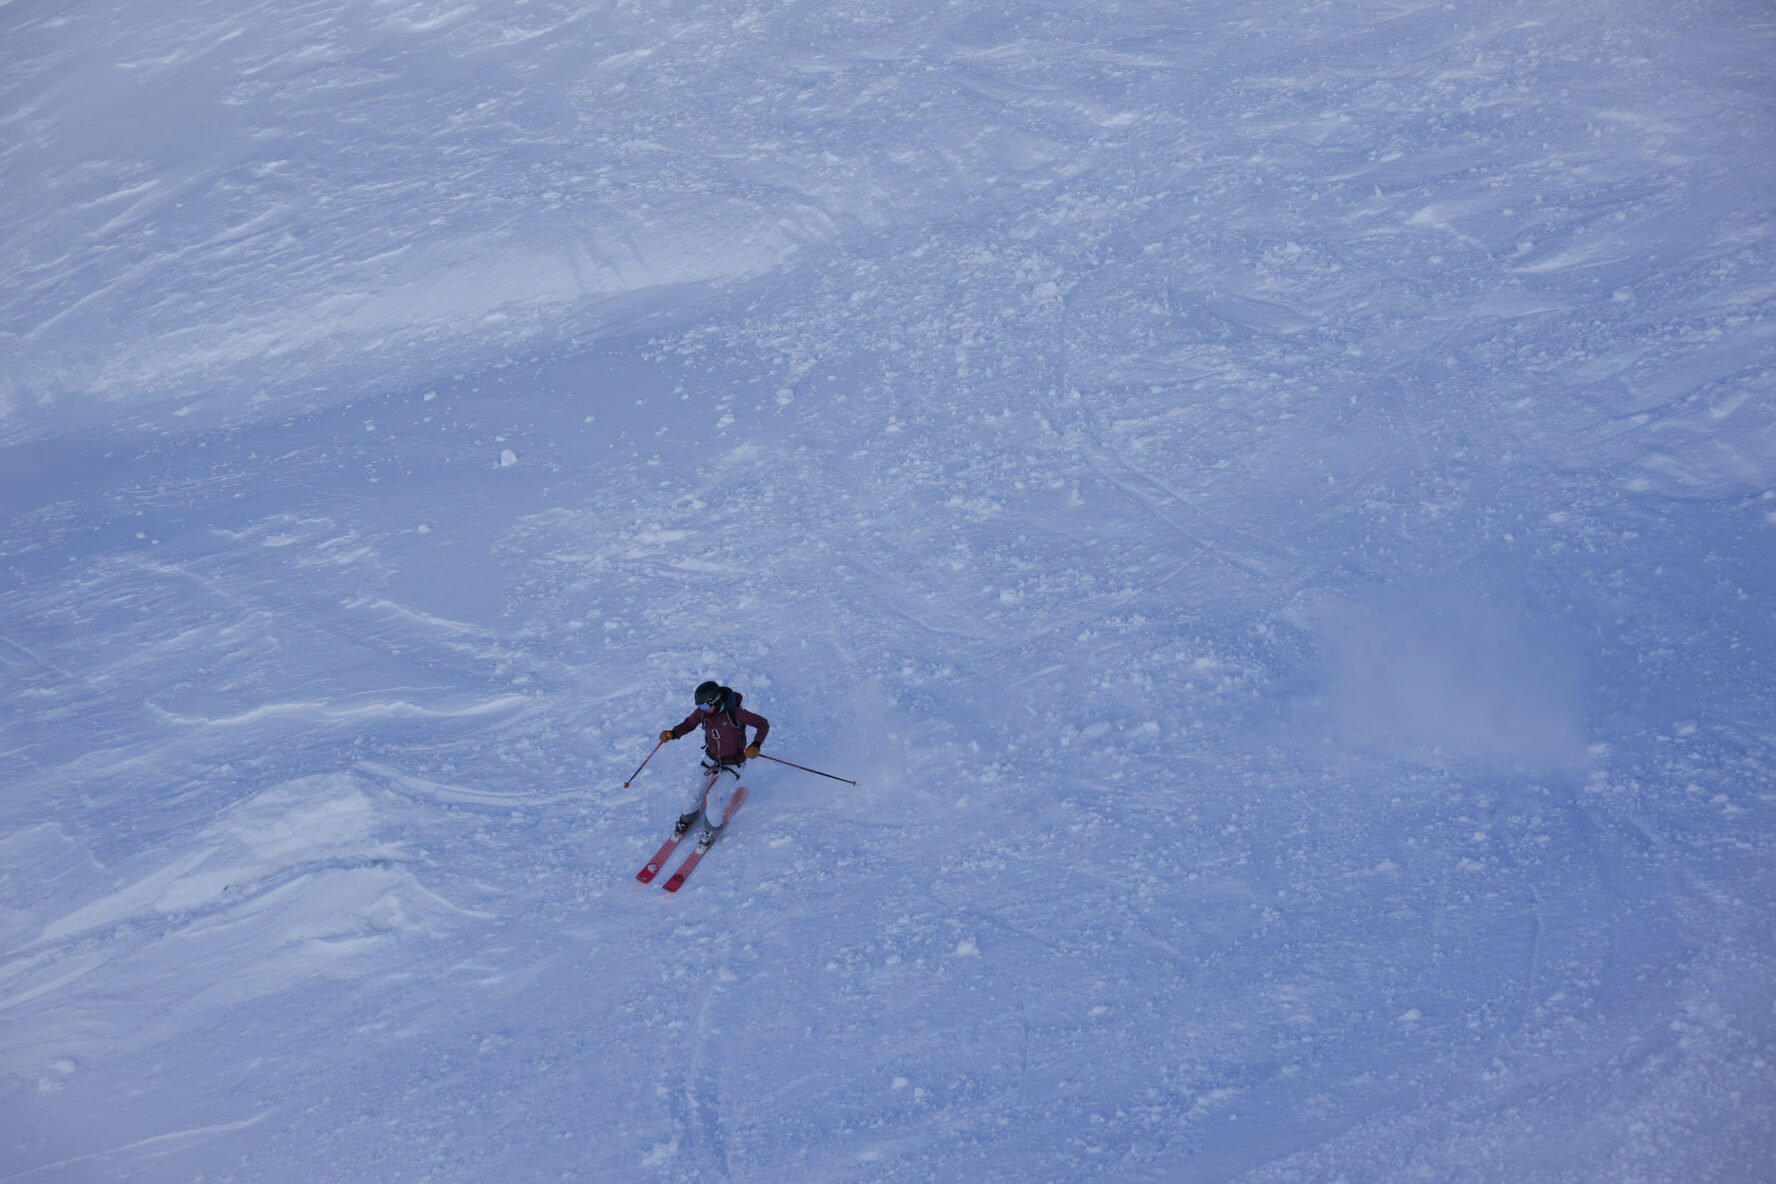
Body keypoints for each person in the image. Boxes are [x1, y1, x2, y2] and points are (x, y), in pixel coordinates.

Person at [658, 680, 769, 849]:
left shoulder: (736, 714)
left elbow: (763, 724)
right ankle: (687, 818)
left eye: (703, 706)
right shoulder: (704, 713)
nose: (701, 710)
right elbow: (688, 724)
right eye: (699, 707)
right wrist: (672, 733)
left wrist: (755, 745)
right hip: (712, 759)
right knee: (695, 792)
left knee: (713, 797)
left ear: (715, 702)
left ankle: (711, 830)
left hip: (734, 763)